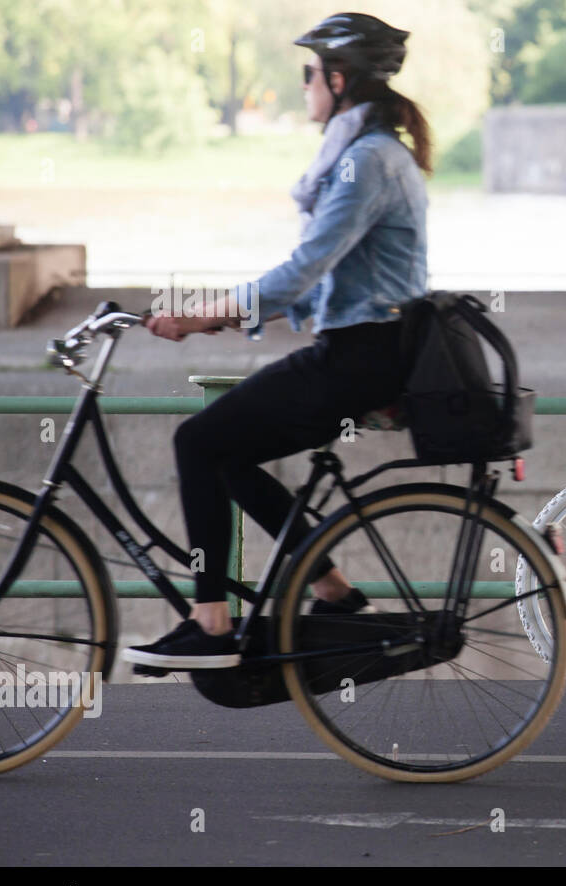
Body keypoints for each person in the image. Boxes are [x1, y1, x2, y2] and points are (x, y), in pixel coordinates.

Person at [123, 13, 430, 670]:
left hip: (361, 359)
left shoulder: (366, 161)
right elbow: (325, 281)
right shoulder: (371, 152)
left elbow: (303, 270)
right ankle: (333, 593)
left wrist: (202, 315)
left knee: (196, 441)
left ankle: (209, 624)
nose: (304, 87)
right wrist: (223, 313)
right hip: (363, 350)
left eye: (309, 74)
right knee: (229, 455)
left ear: (339, 79)